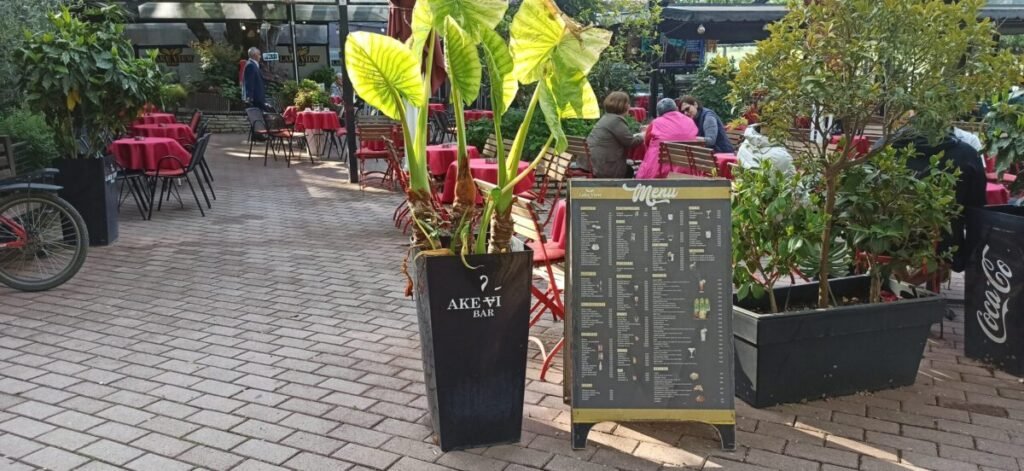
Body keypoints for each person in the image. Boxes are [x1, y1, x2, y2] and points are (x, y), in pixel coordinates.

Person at [891, 128, 987, 274]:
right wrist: (964, 258)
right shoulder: (967, 154)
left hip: (889, 241)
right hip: (945, 246)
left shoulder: (885, 147)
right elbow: (976, 212)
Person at [635, 98, 700, 179]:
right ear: (676, 109)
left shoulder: (656, 123)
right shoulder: (690, 121)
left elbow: (647, 142)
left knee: (653, 154)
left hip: (661, 171)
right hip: (688, 169)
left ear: (659, 113)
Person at [586, 91, 643, 178]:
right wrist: (643, 135)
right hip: (605, 167)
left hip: (595, 163)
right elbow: (631, 142)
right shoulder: (616, 121)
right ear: (624, 106)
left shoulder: (607, 117)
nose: (629, 106)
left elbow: (624, 138)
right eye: (628, 103)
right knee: (630, 171)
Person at [243, 47, 270, 112]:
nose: (260, 56)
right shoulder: (251, 65)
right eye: (259, 54)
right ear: (255, 55)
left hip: (258, 98)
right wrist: (250, 98)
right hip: (256, 99)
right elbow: (249, 83)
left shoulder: (254, 65)